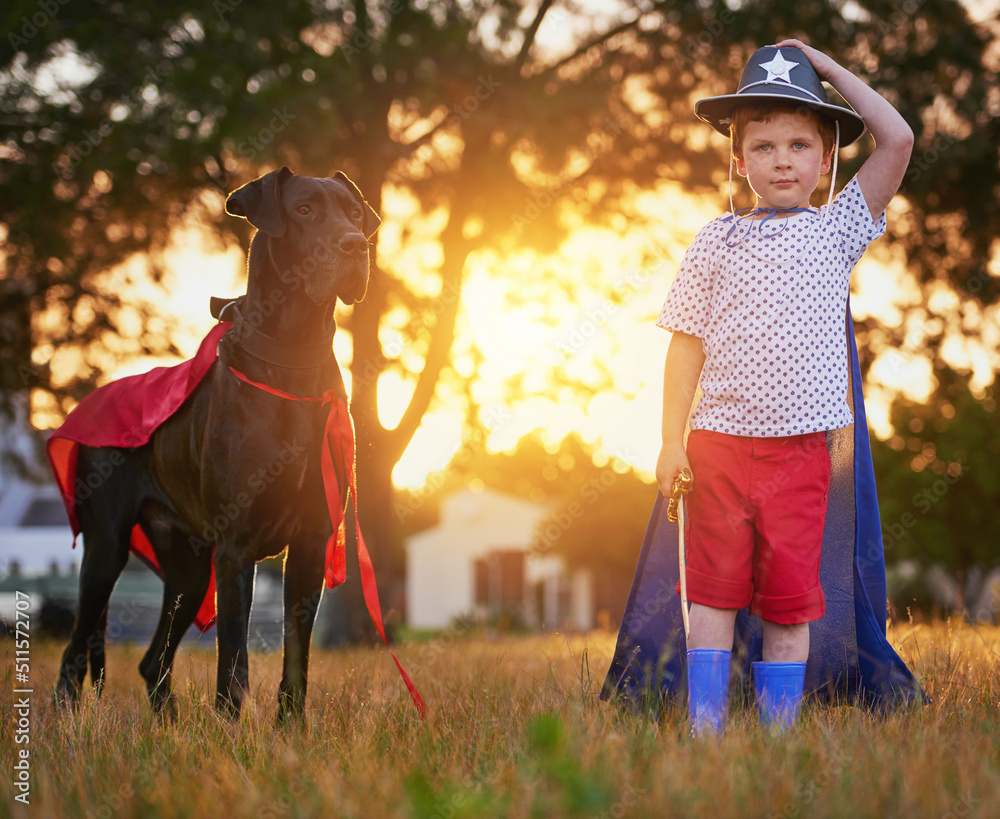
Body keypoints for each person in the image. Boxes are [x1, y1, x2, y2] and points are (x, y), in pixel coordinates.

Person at [654, 40, 913, 735]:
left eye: (801, 144)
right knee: (711, 593)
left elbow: (898, 137)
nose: (784, 161)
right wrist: (669, 441)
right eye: (764, 146)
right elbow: (685, 344)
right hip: (718, 447)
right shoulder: (716, 240)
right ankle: (706, 733)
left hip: (802, 454)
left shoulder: (838, 231)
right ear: (741, 160)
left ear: (826, 159)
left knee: (788, 601)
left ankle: (777, 738)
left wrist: (829, 73)